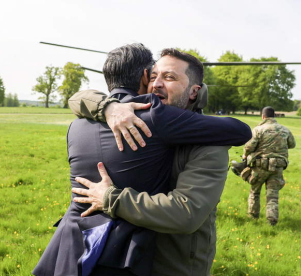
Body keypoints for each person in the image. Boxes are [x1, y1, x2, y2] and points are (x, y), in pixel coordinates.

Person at [33, 44, 252, 276]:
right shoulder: (132, 116)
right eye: (154, 76)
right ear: (145, 77)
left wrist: (111, 198)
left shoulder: (208, 142)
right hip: (127, 258)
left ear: (194, 92)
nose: (157, 84)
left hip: (171, 264)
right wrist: (108, 106)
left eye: (169, 77)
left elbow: (186, 212)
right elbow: (77, 98)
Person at [232, 106, 296, 226]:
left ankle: (253, 216)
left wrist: (245, 156)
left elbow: (249, 146)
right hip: (278, 166)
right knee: (273, 195)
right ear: (274, 116)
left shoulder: (258, 129)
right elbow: (292, 144)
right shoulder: (285, 130)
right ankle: (272, 220)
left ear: (263, 116)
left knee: (255, 191)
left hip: (260, 165)